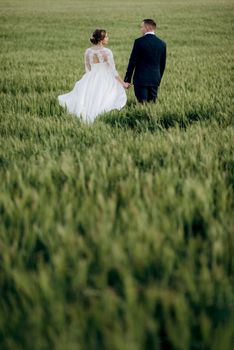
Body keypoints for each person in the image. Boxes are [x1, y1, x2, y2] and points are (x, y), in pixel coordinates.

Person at [58, 29, 128, 123]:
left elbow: (87, 68)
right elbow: (113, 71)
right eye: (106, 37)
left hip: (91, 77)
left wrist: (91, 78)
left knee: (90, 98)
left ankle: (89, 118)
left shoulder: (88, 51)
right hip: (105, 78)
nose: (108, 38)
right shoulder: (106, 52)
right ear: (100, 39)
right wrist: (123, 84)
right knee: (106, 98)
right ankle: (101, 117)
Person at [124, 19, 167, 103]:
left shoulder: (139, 42)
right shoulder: (162, 43)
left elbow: (132, 62)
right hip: (155, 80)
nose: (140, 29)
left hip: (141, 80)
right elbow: (162, 65)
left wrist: (127, 79)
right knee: (152, 105)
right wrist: (158, 79)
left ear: (146, 27)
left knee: (142, 104)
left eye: (141, 27)